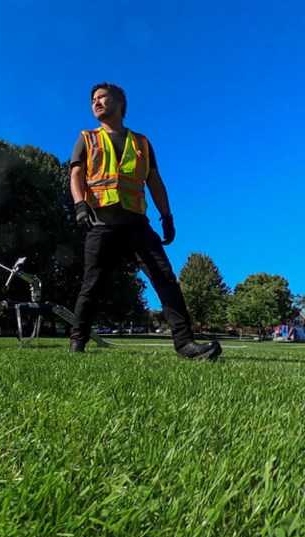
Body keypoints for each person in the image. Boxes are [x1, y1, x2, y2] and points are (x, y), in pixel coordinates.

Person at [68, 82, 222, 360]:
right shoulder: (87, 138)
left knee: (165, 280)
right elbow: (76, 175)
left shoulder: (141, 142)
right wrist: (80, 205)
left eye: (102, 97)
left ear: (120, 104)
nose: (96, 102)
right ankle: (77, 342)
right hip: (101, 224)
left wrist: (167, 216)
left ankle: (185, 345)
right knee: (92, 287)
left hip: (137, 225)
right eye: (93, 100)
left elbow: (154, 181)